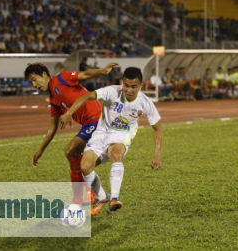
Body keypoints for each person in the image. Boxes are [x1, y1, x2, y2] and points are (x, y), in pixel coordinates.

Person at [60, 67, 162, 216]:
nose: (129, 90)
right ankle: (102, 197)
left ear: (140, 85)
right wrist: (69, 112)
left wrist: (157, 155)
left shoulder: (145, 102)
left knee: (115, 153)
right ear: (122, 83)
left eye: (134, 87)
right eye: (126, 85)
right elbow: (87, 96)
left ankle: (115, 198)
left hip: (122, 135)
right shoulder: (113, 91)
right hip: (101, 134)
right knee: (85, 167)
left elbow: (158, 128)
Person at [24, 62, 118, 204]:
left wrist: (103, 71)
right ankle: (92, 195)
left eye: (34, 79)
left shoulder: (61, 78)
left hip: (97, 118)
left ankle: (85, 196)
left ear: (44, 74)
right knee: (78, 161)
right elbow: (53, 127)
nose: (34, 84)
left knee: (71, 152)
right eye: (31, 82)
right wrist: (40, 150)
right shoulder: (53, 99)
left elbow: (85, 74)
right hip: (89, 123)